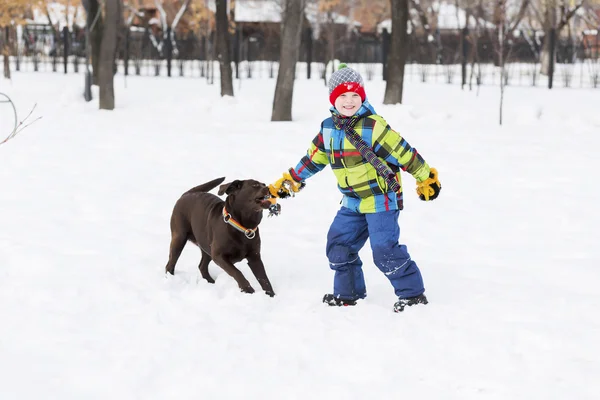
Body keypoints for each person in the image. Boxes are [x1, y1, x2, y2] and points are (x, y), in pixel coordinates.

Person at [269, 64, 441, 313]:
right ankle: (348, 294)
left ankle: (413, 295)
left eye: (354, 96)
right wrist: (290, 181)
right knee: (338, 247)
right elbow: (312, 159)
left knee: (384, 251)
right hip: (351, 202)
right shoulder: (328, 128)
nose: (349, 101)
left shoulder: (373, 127)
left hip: (381, 199)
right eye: (342, 96)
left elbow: (404, 152)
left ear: (362, 97)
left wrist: (426, 178)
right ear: (332, 99)